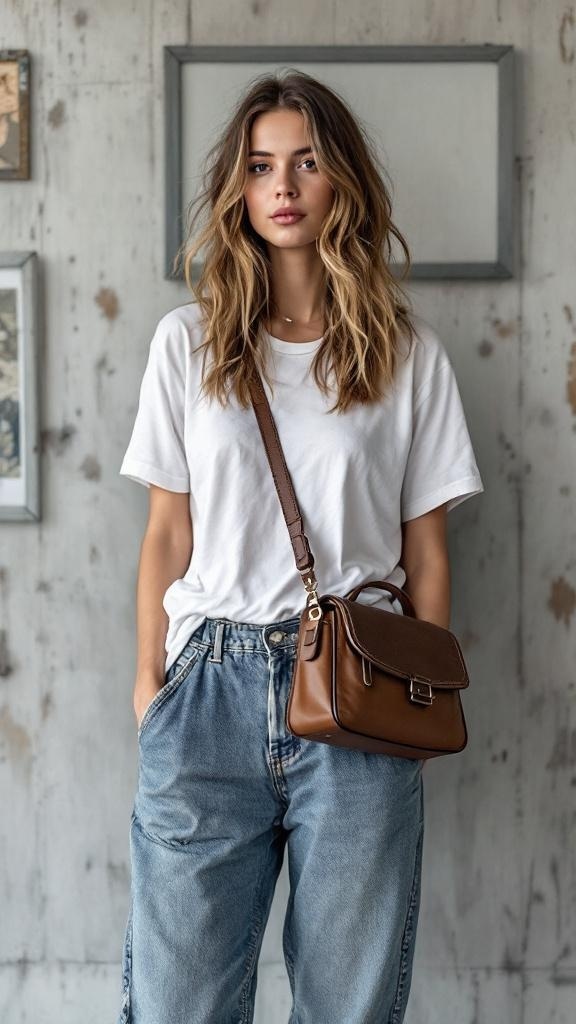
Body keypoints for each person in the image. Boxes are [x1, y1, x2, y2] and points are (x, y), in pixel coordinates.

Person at [116, 69, 484, 1024]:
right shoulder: (187, 344)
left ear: (342, 181)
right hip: (208, 690)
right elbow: (166, 531)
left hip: (359, 692)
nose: (282, 185)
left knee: (347, 1007)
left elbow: (427, 552)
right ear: (237, 189)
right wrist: (150, 689)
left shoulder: (407, 354)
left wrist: (417, 696)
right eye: (260, 165)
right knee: (178, 1006)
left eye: (307, 162)